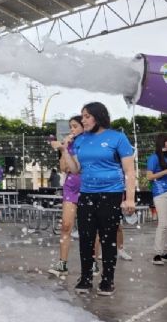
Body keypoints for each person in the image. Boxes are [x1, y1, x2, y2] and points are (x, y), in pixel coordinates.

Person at [62, 102, 137, 296]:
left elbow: (129, 170)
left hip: (111, 194)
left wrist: (129, 198)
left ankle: (107, 279)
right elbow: (75, 169)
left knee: (108, 237)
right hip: (86, 193)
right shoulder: (81, 140)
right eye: (82, 116)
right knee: (86, 237)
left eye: (87, 116)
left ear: (98, 116)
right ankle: (86, 277)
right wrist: (64, 150)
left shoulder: (118, 138)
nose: (83, 120)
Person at [48, 115, 83, 277]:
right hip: (70, 187)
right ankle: (62, 264)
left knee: (89, 228)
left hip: (88, 187)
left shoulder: (88, 144)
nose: (71, 130)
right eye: (70, 126)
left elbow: (80, 167)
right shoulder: (69, 144)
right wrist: (64, 148)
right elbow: (64, 167)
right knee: (66, 226)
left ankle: (94, 262)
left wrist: (74, 166)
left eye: (75, 126)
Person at [146, 133, 167, 265]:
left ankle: (166, 252)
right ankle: (157, 253)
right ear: (163, 144)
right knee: (164, 223)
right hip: (161, 193)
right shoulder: (154, 158)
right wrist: (165, 172)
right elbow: (149, 176)